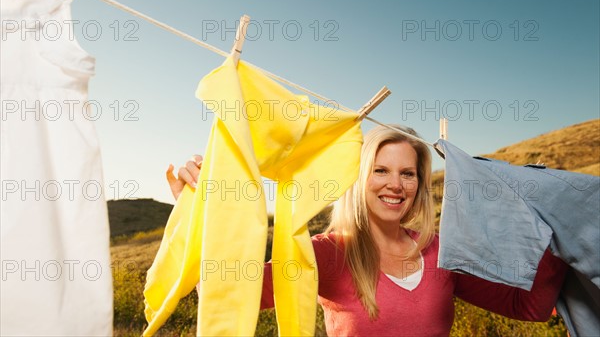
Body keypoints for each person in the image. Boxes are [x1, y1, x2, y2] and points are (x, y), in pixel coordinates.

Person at [167, 124, 568, 336]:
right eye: (380, 170)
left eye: (407, 173)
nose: (395, 184)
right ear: (358, 179)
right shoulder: (327, 253)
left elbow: (527, 307)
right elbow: (226, 291)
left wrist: (562, 229)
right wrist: (204, 211)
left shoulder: (441, 251)